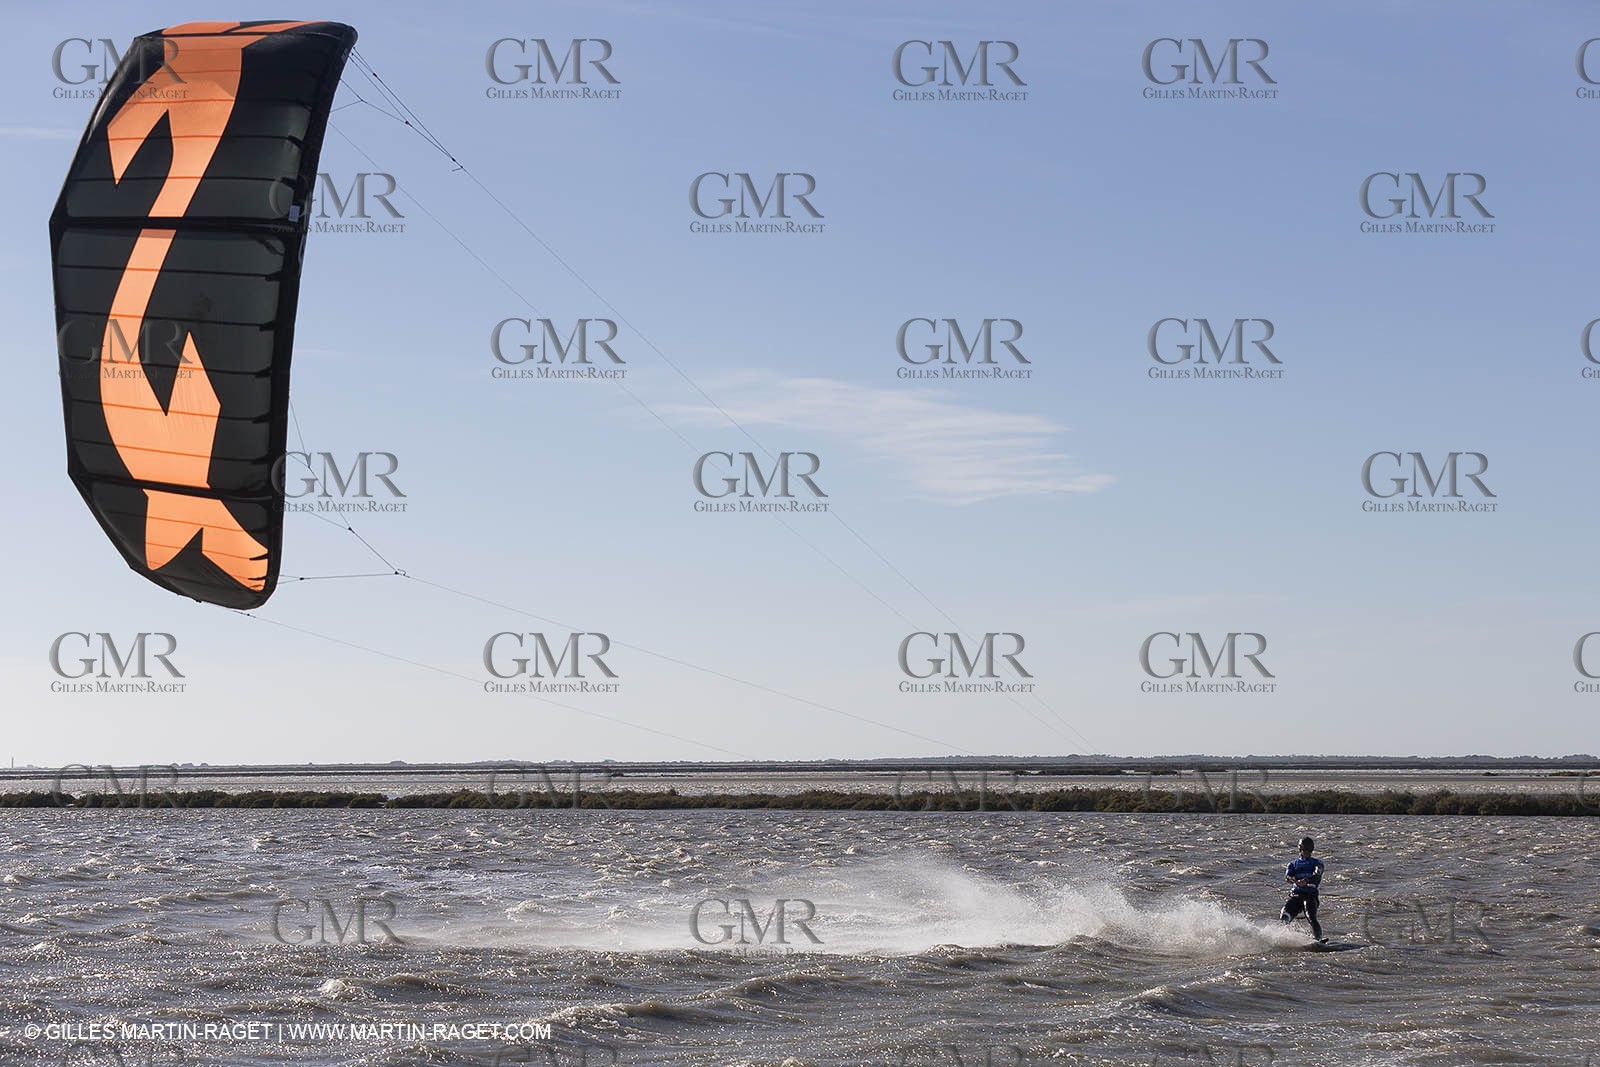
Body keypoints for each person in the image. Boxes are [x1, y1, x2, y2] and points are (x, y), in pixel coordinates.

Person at [1280, 835, 1324, 940]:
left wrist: (1306, 881)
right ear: (1300, 849)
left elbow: (1317, 875)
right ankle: (1284, 937)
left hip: (1310, 896)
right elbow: (1288, 877)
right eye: (1305, 850)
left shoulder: (1317, 863)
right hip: (1296, 896)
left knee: (1311, 917)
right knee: (1284, 916)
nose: (1307, 852)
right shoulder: (1292, 864)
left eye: (1310, 850)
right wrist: (1296, 881)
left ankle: (1318, 939)